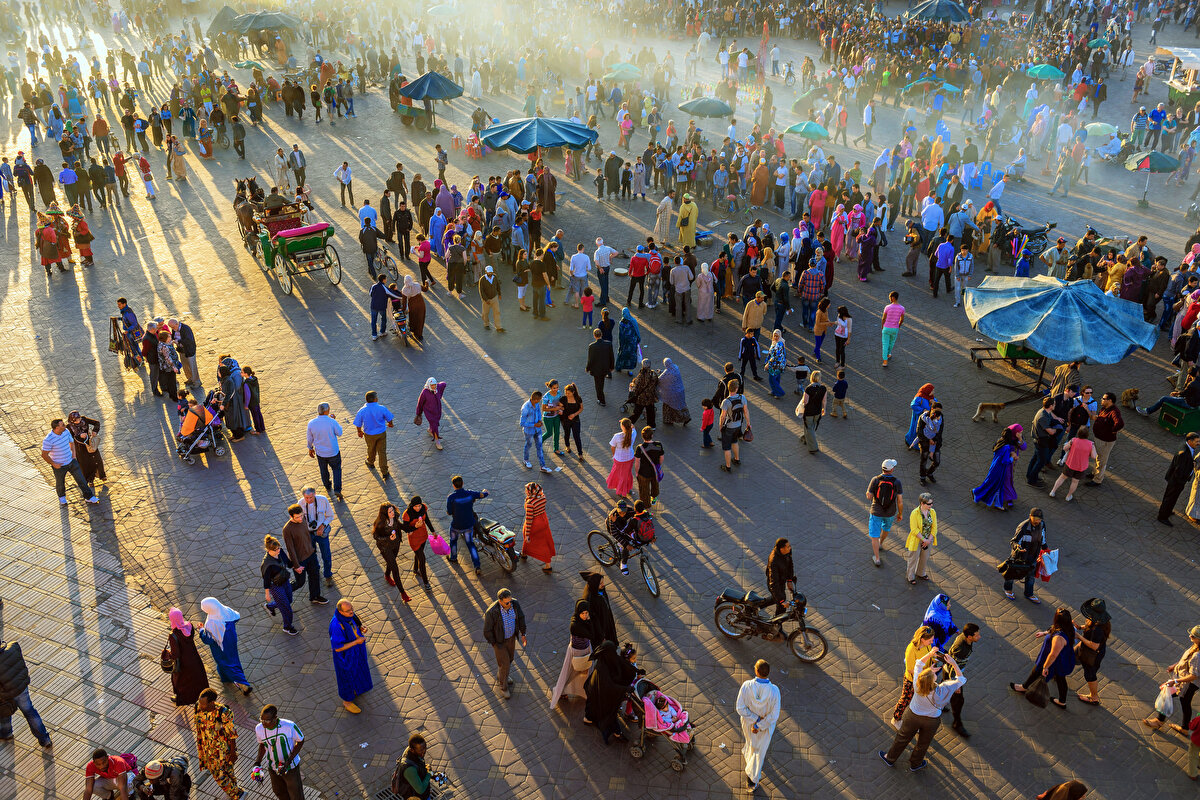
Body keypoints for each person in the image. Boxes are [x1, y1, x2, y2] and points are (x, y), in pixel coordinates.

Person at [880, 648, 964, 772]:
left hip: (913, 715)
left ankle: (890, 758)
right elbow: (961, 679)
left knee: (902, 737)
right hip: (932, 720)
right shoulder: (942, 690)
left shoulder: (917, 684)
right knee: (923, 744)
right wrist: (953, 663)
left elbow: (918, 664)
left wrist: (930, 655)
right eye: (934, 674)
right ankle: (915, 764)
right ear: (933, 681)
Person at [1010, 606, 1077, 708]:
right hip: (1062, 659)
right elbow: (1054, 629)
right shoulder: (1069, 627)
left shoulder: (1059, 637)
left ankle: (1024, 687)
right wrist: (1045, 633)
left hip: (1054, 660)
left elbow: (1053, 654)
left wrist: (1046, 667)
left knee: (1038, 670)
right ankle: (1062, 701)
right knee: (1060, 679)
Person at [736, 659, 781, 793]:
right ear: (768, 673)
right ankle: (753, 780)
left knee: (751, 744)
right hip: (765, 727)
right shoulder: (774, 691)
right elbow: (774, 715)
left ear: (756, 671)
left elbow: (740, 708)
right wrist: (760, 725)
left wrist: (754, 721)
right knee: (759, 751)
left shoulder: (746, 686)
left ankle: (752, 776)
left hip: (748, 724)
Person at [1143, 625, 1200, 731]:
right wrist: (1174, 665)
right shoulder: (1195, 646)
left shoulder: (1198, 655)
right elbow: (1186, 659)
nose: (1190, 636)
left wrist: (1175, 681)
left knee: (1183, 702)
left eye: (1193, 636)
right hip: (1183, 681)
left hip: (1188, 684)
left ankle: (1162, 722)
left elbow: (1194, 675)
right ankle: (1181, 727)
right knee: (1181, 701)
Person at [0, 637, 52, 748]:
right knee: (30, 712)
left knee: (4, 713)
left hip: (5, 694)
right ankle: (45, 739)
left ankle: (7, 733)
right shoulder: (13, 647)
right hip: (21, 688)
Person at [584, 639, 637, 744]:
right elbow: (610, 686)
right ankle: (617, 733)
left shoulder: (603, 660)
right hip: (600, 693)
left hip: (593, 690)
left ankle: (588, 718)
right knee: (610, 714)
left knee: (593, 706)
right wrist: (626, 689)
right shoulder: (603, 668)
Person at [193, 689, 241, 800]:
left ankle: (236, 794)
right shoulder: (197, 707)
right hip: (206, 748)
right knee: (226, 773)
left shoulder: (223, 712)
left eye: (203, 704)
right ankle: (235, 792)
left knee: (221, 775)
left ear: (212, 702)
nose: (200, 705)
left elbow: (232, 734)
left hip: (222, 750)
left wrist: (233, 753)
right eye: (199, 702)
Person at [198, 598, 251, 695]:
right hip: (231, 640)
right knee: (233, 658)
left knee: (226, 663)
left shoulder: (211, 623)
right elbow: (237, 617)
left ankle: (242, 683)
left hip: (219, 647)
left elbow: (208, 640)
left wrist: (201, 630)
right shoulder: (225, 610)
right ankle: (225, 678)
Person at [41, 417, 99, 505]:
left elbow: (71, 442)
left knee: (81, 479)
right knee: (60, 482)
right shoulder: (48, 440)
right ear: (57, 428)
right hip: (59, 465)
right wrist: (53, 464)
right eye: (62, 425)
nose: (65, 426)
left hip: (71, 461)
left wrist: (74, 454)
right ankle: (62, 497)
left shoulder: (66, 432)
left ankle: (89, 497)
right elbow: (44, 455)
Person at [483, 588, 527, 700]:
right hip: (499, 642)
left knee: (510, 659)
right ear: (500, 601)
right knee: (505, 663)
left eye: (510, 601)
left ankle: (502, 675)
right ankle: (503, 687)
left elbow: (521, 618)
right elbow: (487, 631)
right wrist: (494, 644)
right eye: (507, 602)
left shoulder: (515, 604)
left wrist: (523, 634)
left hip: (511, 638)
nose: (509, 604)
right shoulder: (492, 612)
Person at [330, 600, 373, 714]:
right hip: (346, 657)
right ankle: (347, 702)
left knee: (359, 670)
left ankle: (357, 689)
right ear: (340, 611)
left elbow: (355, 627)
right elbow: (337, 647)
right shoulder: (336, 625)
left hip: (357, 652)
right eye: (348, 611)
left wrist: (361, 629)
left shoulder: (350, 616)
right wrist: (356, 642)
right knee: (346, 677)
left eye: (352, 609)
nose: (352, 612)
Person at [254, 705, 305, 800]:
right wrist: (257, 762)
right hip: (272, 767)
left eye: (267, 720)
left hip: (290, 767)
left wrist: (289, 761)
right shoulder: (259, 728)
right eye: (262, 719)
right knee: (278, 791)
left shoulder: (289, 726)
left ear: (275, 718)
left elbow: (301, 740)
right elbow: (262, 744)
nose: (263, 723)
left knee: (296, 794)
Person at [972, 424, 1026, 510]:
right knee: (999, 483)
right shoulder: (1006, 446)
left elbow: (1023, 447)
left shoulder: (1003, 442)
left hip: (1000, 467)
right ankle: (981, 494)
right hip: (1003, 467)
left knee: (996, 483)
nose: (1021, 434)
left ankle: (999, 502)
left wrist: (1020, 439)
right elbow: (1005, 460)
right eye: (1019, 432)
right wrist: (1012, 456)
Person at [550, 600, 593, 708]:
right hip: (575, 652)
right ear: (578, 613)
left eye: (587, 613)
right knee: (568, 674)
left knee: (587, 674)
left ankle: (585, 693)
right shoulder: (574, 625)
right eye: (582, 613)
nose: (585, 615)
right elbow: (590, 633)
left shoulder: (586, 621)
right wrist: (589, 623)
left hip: (587, 649)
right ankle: (561, 691)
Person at [164, 607, 209, 707]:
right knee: (198, 679)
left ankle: (181, 698)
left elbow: (176, 654)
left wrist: (168, 654)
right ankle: (203, 697)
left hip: (183, 663)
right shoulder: (189, 626)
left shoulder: (174, 635)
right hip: (194, 658)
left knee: (180, 682)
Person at [943, 623, 981, 737]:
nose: (979, 637)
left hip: (951, 672)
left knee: (943, 689)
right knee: (958, 701)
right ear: (969, 637)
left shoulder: (965, 639)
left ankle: (939, 703)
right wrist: (956, 684)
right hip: (953, 675)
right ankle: (957, 724)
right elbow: (952, 667)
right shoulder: (960, 649)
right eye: (977, 635)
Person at [1004, 508, 1049, 602]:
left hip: (1033, 556)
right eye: (1035, 519)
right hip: (1019, 556)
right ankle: (1008, 589)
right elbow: (1014, 541)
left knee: (1031, 576)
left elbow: (1043, 537)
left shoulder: (1042, 525)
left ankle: (1029, 594)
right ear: (1030, 517)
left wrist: (1046, 549)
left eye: (1039, 519)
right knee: (1012, 573)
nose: (1037, 521)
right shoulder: (1023, 527)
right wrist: (1018, 548)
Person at [1074, 598, 1111, 706]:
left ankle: (1094, 697)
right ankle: (1058, 671)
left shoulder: (1098, 629)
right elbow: (1089, 626)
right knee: (1070, 655)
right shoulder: (1101, 621)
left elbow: (1094, 646)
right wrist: (1079, 627)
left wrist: (1079, 636)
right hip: (1086, 648)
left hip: (1092, 654)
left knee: (1090, 674)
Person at [866, 459, 903, 567]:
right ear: (891, 469)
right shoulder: (897, 482)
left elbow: (869, 496)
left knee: (874, 535)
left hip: (876, 511)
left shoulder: (875, 479)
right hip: (890, 512)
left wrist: (868, 493)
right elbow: (900, 501)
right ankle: (881, 543)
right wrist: (900, 514)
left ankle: (877, 558)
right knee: (886, 528)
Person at [1159, 433, 1200, 526]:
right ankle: (1162, 517)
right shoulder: (1184, 453)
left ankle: (1167, 511)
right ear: (1190, 441)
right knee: (1169, 498)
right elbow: (1178, 471)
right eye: (1197, 441)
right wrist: (1181, 482)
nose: (1199, 443)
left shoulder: (1187, 447)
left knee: (1172, 498)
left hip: (1178, 480)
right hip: (1176, 481)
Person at [354, 391, 395, 481]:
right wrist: (390, 424)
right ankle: (384, 471)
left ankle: (371, 462)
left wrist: (359, 431)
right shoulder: (381, 408)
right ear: (376, 399)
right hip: (381, 433)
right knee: (382, 452)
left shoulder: (362, 410)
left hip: (369, 434)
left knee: (371, 448)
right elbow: (389, 418)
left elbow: (358, 423)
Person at [1049, 427, 1098, 502]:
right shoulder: (1091, 444)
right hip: (1081, 467)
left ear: (1078, 433)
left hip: (1070, 464)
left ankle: (1053, 491)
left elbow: (1065, 448)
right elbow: (1094, 456)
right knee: (1075, 482)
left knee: (1062, 477)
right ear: (1087, 435)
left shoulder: (1073, 440)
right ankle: (1068, 496)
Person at [307, 404, 344, 502]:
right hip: (333, 451)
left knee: (323, 469)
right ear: (327, 411)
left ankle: (327, 485)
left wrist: (310, 448)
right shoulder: (331, 421)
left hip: (320, 452)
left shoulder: (311, 423)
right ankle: (337, 489)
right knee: (336, 470)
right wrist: (334, 420)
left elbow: (309, 438)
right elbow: (339, 432)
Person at [261, 535, 297, 635]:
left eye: (278, 548)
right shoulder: (267, 564)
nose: (278, 551)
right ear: (269, 550)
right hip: (275, 586)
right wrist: (267, 594)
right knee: (286, 608)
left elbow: (288, 563)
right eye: (275, 550)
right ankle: (288, 627)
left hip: (284, 581)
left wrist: (297, 567)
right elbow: (266, 580)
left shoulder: (280, 553)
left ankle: (271, 606)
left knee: (289, 600)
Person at [520, 482, 556, 572]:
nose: (525, 491)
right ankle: (524, 553)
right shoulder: (543, 497)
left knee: (529, 539)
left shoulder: (530, 503)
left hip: (535, 524)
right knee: (545, 541)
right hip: (543, 520)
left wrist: (527, 534)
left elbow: (529, 519)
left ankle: (547, 565)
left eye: (526, 490)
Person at [65, 411, 106, 486]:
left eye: (79, 418)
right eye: (76, 420)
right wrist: (79, 436)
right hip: (80, 448)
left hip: (90, 443)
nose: (79, 421)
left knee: (97, 459)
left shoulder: (84, 420)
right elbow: (69, 438)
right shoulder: (69, 427)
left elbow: (97, 423)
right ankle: (90, 480)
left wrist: (95, 431)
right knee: (85, 464)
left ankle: (101, 475)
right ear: (72, 421)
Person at [402, 496, 434, 590]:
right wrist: (415, 527)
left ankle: (415, 569)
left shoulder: (423, 508)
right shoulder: (407, 514)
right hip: (414, 539)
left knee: (419, 554)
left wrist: (433, 531)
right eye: (416, 506)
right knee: (422, 559)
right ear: (412, 506)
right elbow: (406, 528)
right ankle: (426, 583)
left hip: (423, 536)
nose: (418, 508)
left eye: (419, 506)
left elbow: (426, 519)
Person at [905, 493, 937, 584]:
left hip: (928, 540)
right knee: (913, 559)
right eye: (929, 504)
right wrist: (924, 540)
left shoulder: (933, 512)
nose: (931, 505)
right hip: (917, 539)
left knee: (924, 558)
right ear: (922, 504)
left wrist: (929, 540)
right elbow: (914, 529)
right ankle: (910, 576)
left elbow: (934, 527)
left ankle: (921, 573)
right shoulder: (915, 513)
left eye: (932, 503)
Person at [718, 381, 750, 473]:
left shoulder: (726, 401)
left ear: (728, 388)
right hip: (738, 425)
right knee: (735, 441)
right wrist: (748, 423)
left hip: (728, 427)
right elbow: (746, 411)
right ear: (736, 389)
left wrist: (720, 426)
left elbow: (723, 416)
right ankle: (736, 459)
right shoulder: (742, 397)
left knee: (727, 447)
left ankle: (728, 467)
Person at [392, 734, 433, 799]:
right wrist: (429, 773)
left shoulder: (412, 751)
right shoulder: (409, 769)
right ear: (412, 750)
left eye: (425, 748)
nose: (424, 752)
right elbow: (421, 790)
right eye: (421, 750)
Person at [796, 371, 827, 454]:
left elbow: (805, 402)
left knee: (809, 427)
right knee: (813, 426)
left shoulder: (808, 389)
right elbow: (824, 400)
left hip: (809, 412)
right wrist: (824, 409)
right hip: (818, 411)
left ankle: (813, 447)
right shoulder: (823, 388)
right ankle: (806, 438)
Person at [414, 378, 447, 452]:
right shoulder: (424, 392)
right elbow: (420, 403)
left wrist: (439, 387)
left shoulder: (437, 388)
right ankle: (437, 441)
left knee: (434, 423)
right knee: (434, 425)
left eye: (434, 385)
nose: (433, 387)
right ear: (428, 385)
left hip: (437, 410)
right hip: (429, 412)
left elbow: (444, 384)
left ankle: (430, 430)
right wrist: (418, 413)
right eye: (432, 385)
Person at [607, 418, 637, 497]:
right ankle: (627, 488)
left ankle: (621, 490)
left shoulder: (617, 436)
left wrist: (614, 455)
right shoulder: (633, 434)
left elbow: (612, 447)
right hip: (630, 458)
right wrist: (630, 424)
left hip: (619, 459)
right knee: (627, 474)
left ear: (622, 426)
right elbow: (633, 428)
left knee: (620, 475)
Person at [765, 539, 796, 615]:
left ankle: (758, 604)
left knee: (775, 598)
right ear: (782, 549)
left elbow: (790, 565)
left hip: (782, 580)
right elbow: (774, 583)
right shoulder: (774, 561)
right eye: (788, 547)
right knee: (781, 606)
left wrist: (789, 580)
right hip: (775, 584)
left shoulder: (787, 552)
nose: (790, 548)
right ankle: (776, 625)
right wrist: (782, 601)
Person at [658, 358, 690, 425]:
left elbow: (660, 379)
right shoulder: (676, 368)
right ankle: (687, 417)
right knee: (681, 405)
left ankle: (669, 420)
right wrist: (661, 372)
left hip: (671, 394)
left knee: (671, 408)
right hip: (680, 391)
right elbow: (667, 375)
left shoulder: (667, 372)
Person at [881, 291, 905, 367]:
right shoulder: (902, 308)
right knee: (891, 342)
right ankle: (888, 354)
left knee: (885, 344)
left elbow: (883, 318)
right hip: (895, 329)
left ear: (893, 298)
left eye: (890, 297)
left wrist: (882, 326)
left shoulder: (887, 307)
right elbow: (902, 319)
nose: (889, 299)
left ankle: (885, 361)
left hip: (886, 328)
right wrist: (898, 326)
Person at [615, 308, 641, 375]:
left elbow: (620, 334)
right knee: (631, 357)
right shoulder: (633, 321)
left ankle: (619, 367)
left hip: (624, 343)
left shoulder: (621, 323)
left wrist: (620, 342)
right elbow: (637, 331)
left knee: (622, 355)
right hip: (632, 343)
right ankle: (630, 371)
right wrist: (638, 339)